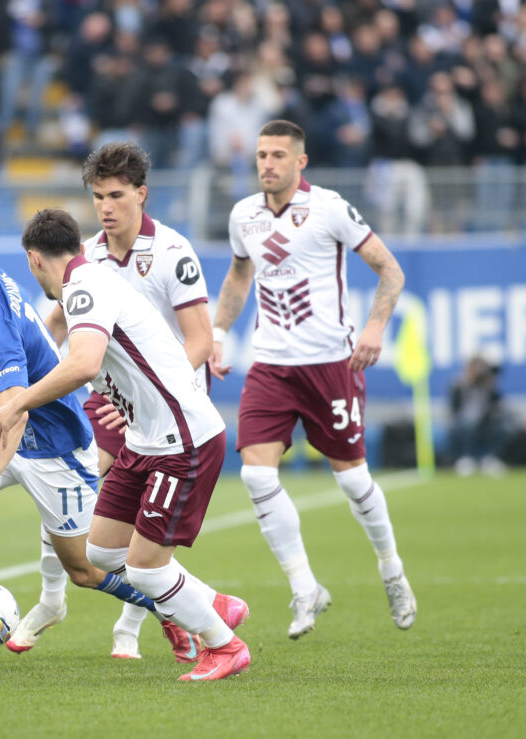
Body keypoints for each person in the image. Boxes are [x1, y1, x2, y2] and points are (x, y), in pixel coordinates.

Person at [0, 224, 202, 664]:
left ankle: (171, 609)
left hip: (56, 449)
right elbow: (16, 377)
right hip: (8, 430)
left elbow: (17, 415)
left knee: (85, 569)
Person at [0, 209, 250, 682]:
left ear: (33, 260)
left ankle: (224, 646)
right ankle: (213, 603)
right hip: (146, 439)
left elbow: (83, 364)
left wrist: (14, 405)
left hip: (181, 441)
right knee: (102, 553)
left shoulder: (85, 287)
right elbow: (68, 355)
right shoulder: (89, 278)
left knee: (147, 572)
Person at [210, 119, 416, 639]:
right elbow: (239, 275)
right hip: (271, 366)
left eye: (278, 155)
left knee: (351, 479)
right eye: (261, 155)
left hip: (331, 365)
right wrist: (216, 331)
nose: (267, 164)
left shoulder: (329, 208)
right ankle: (305, 588)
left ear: (300, 162)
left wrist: (373, 327)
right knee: (257, 476)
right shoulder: (244, 216)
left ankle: (391, 568)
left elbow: (390, 270)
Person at [39, 141, 219, 661]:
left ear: (142, 194)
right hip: (117, 399)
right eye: (97, 197)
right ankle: (172, 611)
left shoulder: (172, 253)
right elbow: (53, 324)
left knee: (135, 533)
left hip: (168, 405)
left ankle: (152, 618)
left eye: (116, 195)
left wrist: (150, 394)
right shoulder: (89, 256)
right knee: (104, 530)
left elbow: (200, 340)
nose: (106, 207)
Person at [449, 354, 510, 477]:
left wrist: (490, 385)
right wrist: (469, 381)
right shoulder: (459, 383)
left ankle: (488, 458)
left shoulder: (487, 384)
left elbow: (497, 405)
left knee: (505, 427)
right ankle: (467, 458)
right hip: (464, 421)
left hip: (486, 421)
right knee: (469, 423)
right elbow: (454, 408)